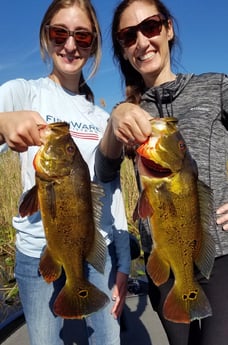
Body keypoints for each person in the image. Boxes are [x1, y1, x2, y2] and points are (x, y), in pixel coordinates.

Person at [95, 0, 228, 345]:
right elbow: (104, 170)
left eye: (150, 26)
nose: (142, 41)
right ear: (124, 50)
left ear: (168, 29)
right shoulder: (130, 111)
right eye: (128, 35)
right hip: (162, 256)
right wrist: (116, 118)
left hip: (222, 253)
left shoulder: (216, 86)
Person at [0, 1, 131, 345]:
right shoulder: (22, 92)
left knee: (108, 339)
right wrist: (2, 123)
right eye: (60, 33)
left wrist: (124, 263)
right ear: (46, 37)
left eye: (82, 37)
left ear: (93, 45)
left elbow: (111, 192)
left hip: (94, 249)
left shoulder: (101, 117)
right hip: (35, 253)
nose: (70, 45)